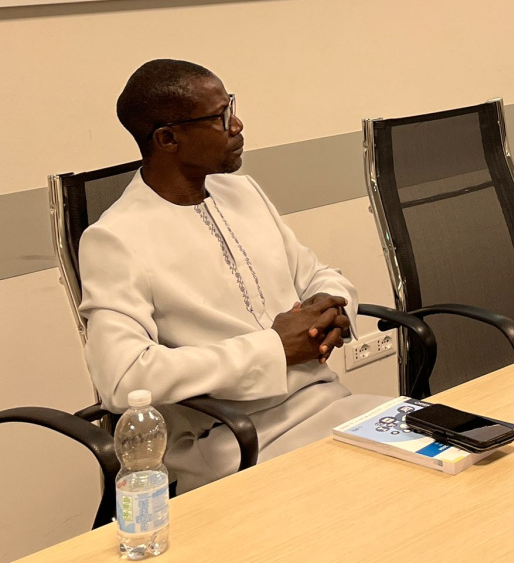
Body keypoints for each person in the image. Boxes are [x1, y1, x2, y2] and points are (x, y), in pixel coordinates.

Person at [78, 60, 385, 491]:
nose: (237, 125)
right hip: (237, 442)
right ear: (167, 139)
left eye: (231, 107)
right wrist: (273, 348)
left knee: (459, 458)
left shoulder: (243, 192)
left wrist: (330, 308)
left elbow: (316, 273)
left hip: (332, 405)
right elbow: (124, 378)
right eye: (220, 117)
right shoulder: (115, 238)